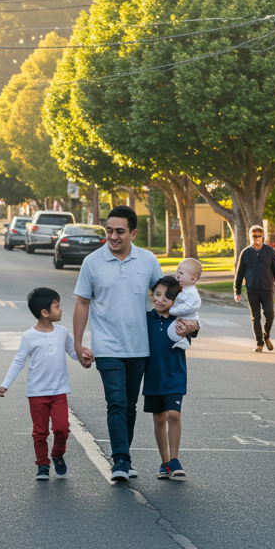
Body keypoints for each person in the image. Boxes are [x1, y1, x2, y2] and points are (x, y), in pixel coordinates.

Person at [74, 205, 198, 483]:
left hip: (141, 348)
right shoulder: (92, 262)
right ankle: (121, 460)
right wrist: (79, 344)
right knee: (115, 402)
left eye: (119, 231)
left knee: (128, 405)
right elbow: (82, 303)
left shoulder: (148, 260)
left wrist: (193, 325)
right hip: (107, 346)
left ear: (133, 232)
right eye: (109, 231)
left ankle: (123, 456)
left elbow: (168, 298)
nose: (113, 236)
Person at [0, 287, 85, 481]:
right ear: (44, 313)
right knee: (40, 432)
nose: (61, 310)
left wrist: (86, 356)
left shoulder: (62, 332)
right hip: (37, 393)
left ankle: (57, 454)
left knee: (62, 428)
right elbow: (18, 361)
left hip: (59, 391)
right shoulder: (29, 336)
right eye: (57, 306)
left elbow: (73, 352)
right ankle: (43, 464)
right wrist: (6, 384)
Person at [145, 276, 190, 480]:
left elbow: (195, 328)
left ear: (176, 301)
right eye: (157, 294)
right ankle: (164, 463)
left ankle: (174, 459)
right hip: (153, 376)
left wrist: (193, 326)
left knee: (173, 414)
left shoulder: (181, 321)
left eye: (167, 297)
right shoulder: (146, 319)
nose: (160, 299)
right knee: (159, 417)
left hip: (175, 375)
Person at [234, 225, 275, 351]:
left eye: (259, 236)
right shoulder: (246, 253)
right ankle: (259, 343)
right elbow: (239, 273)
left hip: (267, 289)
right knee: (256, 317)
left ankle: (266, 335)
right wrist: (237, 291)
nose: (256, 239)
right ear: (251, 237)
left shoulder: (270, 251)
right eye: (254, 236)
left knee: (270, 315)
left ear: (263, 237)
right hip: (252, 289)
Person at [167, 258, 202, 351]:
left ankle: (184, 341)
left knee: (175, 331)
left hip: (187, 318)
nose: (177, 276)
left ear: (193, 279)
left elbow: (189, 307)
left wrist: (171, 310)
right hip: (178, 316)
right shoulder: (181, 288)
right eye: (177, 272)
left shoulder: (192, 293)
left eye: (181, 273)